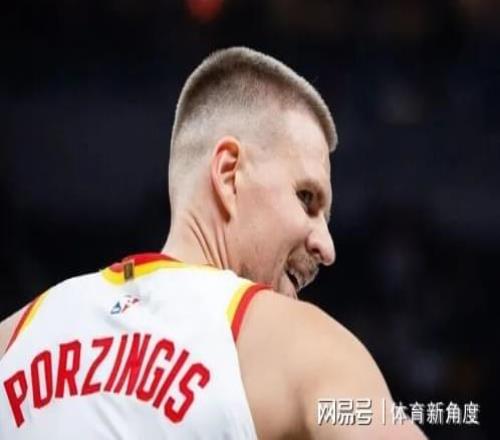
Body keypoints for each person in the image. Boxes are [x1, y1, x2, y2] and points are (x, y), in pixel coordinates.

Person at [0, 47, 426, 439]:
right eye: (306, 198)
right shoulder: (304, 347)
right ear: (227, 174)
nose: (326, 247)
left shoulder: (15, 337)